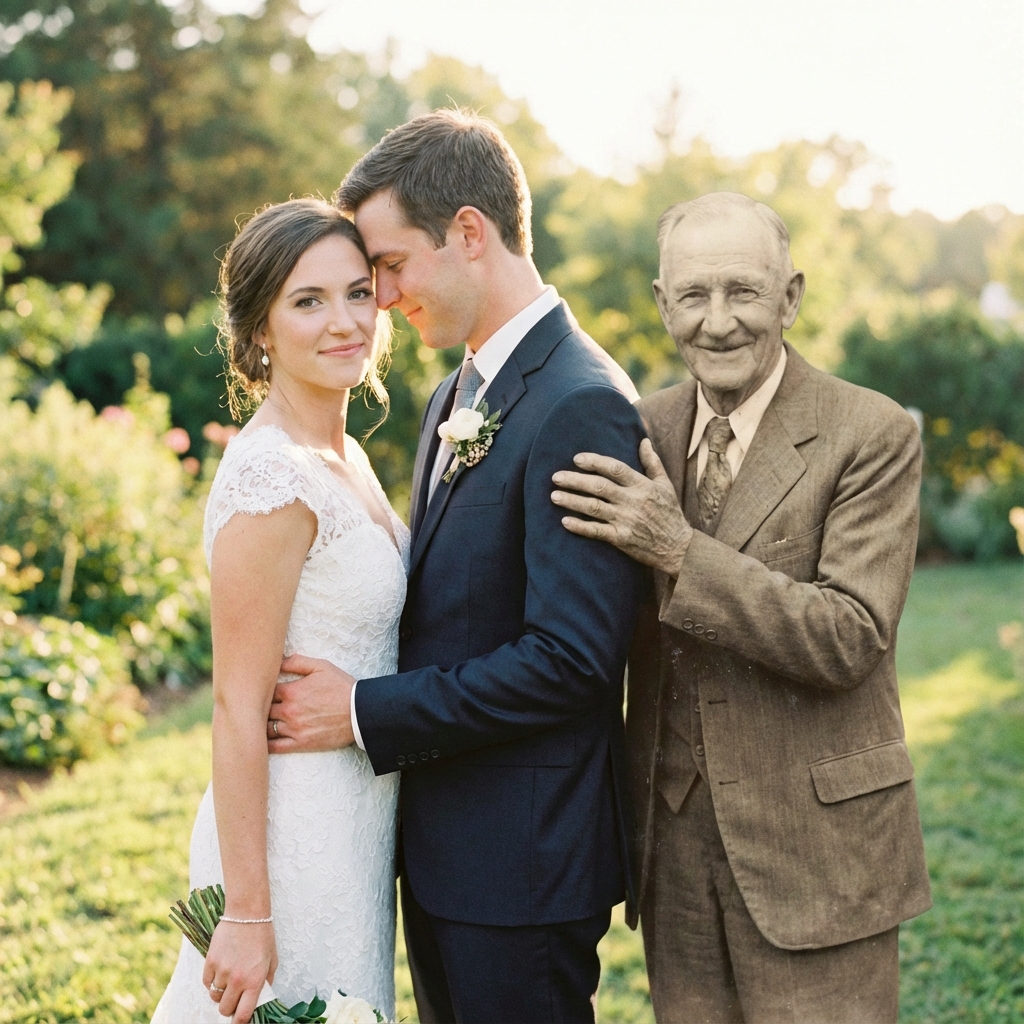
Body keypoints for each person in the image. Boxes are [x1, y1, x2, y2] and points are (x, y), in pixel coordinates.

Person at [267, 110, 646, 1023]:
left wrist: (362, 710)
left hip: (522, 866)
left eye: (392, 264)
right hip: (448, 854)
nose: (383, 296)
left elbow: (572, 660)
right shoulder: (455, 392)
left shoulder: (579, 402)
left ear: (469, 232)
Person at [550, 192, 932, 1023]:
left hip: (820, 852)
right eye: (694, 295)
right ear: (663, 305)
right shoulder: (635, 429)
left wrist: (678, 549)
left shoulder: (869, 432)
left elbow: (850, 635)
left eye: (744, 292)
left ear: (790, 297)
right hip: (674, 852)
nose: (718, 322)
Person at [152, 199, 406, 1024]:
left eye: (358, 293)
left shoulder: (346, 456)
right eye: (308, 301)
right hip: (291, 842)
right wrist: (249, 912)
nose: (345, 322)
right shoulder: (272, 478)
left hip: (354, 823)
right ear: (261, 328)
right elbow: (236, 705)